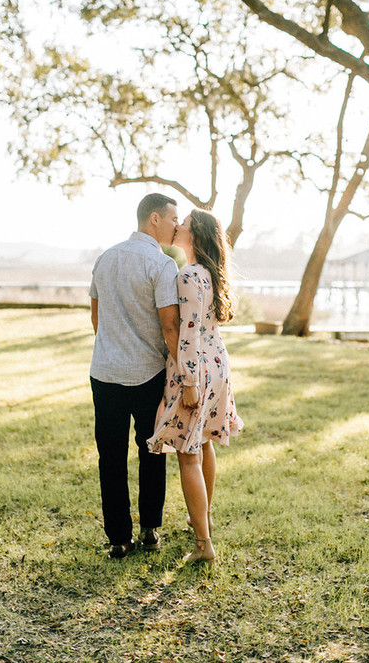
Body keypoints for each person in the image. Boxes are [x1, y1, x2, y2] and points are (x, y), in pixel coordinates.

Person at [148, 209, 244, 564]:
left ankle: (203, 544)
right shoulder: (209, 273)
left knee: (188, 455)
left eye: (184, 222)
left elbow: (187, 333)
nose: (178, 225)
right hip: (217, 364)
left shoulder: (188, 275)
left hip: (196, 368)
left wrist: (188, 381)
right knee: (202, 442)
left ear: (196, 234)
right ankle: (203, 518)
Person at [89, 193, 180, 559]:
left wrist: (113, 346)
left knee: (110, 456)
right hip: (148, 373)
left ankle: (118, 538)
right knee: (152, 450)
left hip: (105, 373)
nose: (177, 226)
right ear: (154, 218)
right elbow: (170, 327)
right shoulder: (162, 265)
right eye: (173, 219)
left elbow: (96, 318)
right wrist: (184, 372)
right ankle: (150, 529)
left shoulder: (105, 258)